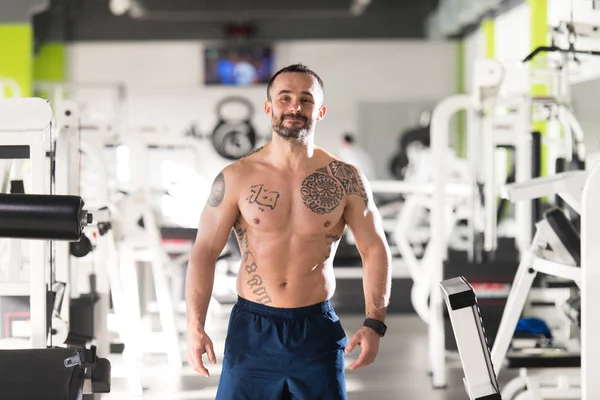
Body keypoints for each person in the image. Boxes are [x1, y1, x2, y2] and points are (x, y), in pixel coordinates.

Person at [185, 63, 392, 400]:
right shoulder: (237, 177)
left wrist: (375, 323)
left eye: (306, 100)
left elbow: (374, 249)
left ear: (320, 111)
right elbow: (204, 252)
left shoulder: (346, 179)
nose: (295, 107)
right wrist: (194, 327)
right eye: (285, 98)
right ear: (269, 107)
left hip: (316, 329)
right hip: (252, 330)